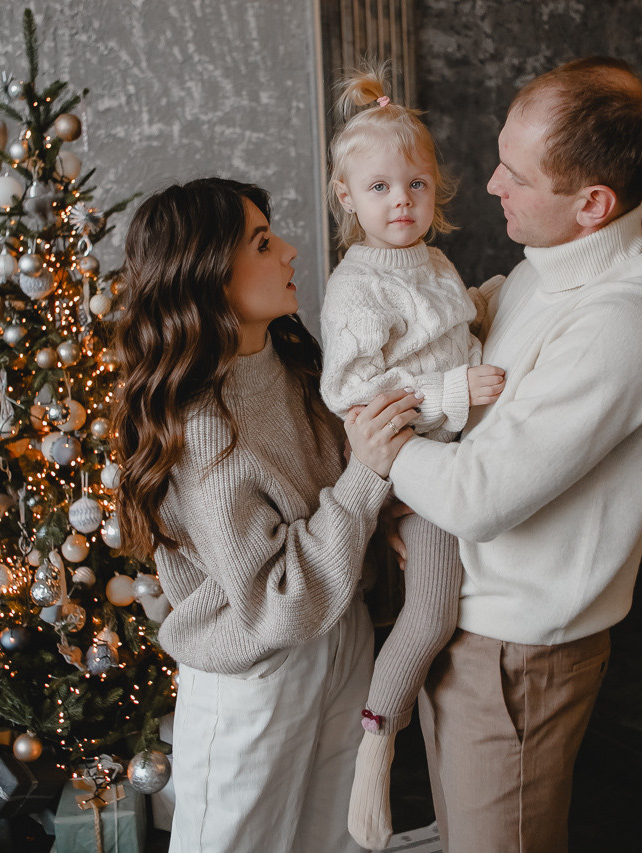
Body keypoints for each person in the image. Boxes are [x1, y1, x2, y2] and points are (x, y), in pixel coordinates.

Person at [386, 57, 642, 851]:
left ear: (593, 204)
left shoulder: (624, 322)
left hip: (518, 655)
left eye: (517, 175)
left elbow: (480, 496)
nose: (491, 184)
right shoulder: (537, 276)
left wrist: (377, 439)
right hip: (465, 623)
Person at [108, 177, 423, 853]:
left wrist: (385, 511)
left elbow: (330, 497)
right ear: (208, 275)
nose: (288, 250)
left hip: (342, 632)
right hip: (258, 670)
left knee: (335, 841)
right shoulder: (201, 428)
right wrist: (367, 477)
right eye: (262, 241)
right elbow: (277, 597)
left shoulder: (292, 360)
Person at [318, 66, 505, 850]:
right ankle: (376, 738)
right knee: (428, 612)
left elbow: (450, 327)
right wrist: (455, 392)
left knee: (458, 604)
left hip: (456, 460)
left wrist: (500, 302)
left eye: (417, 184)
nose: (401, 201)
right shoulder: (356, 287)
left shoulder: (431, 263)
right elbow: (360, 393)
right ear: (347, 199)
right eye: (381, 188)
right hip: (415, 465)